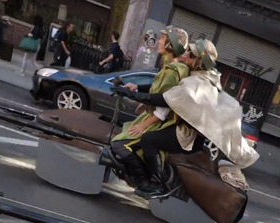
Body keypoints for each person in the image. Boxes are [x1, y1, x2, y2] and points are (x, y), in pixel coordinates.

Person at [112, 38, 259, 198]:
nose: (186, 54)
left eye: (191, 53)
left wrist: (132, 95)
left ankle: (155, 185)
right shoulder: (201, 75)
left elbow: (165, 99)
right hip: (187, 132)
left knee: (149, 139)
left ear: (198, 61)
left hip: (187, 136)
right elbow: (168, 90)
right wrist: (138, 87)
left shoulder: (198, 83)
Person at [108, 26, 190, 191]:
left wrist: (143, 126)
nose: (158, 41)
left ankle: (146, 181)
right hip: (152, 117)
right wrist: (136, 87)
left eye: (162, 39)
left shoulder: (174, 72)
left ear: (169, 45)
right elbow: (157, 88)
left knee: (120, 145)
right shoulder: (169, 68)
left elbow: (166, 105)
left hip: (157, 122)